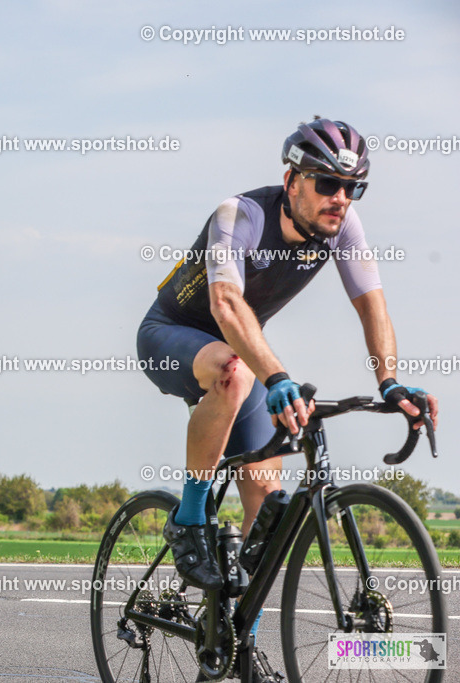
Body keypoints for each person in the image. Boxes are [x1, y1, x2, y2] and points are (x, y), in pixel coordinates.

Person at [136, 118, 438, 679]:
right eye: (328, 184)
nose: (341, 198)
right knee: (234, 373)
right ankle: (189, 516)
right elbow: (226, 305)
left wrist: (390, 383)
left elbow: (372, 304)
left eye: (353, 188)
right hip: (171, 337)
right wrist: (277, 377)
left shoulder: (342, 227)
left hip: (244, 357)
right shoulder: (240, 215)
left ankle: (238, 646)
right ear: (292, 180)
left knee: (268, 514)